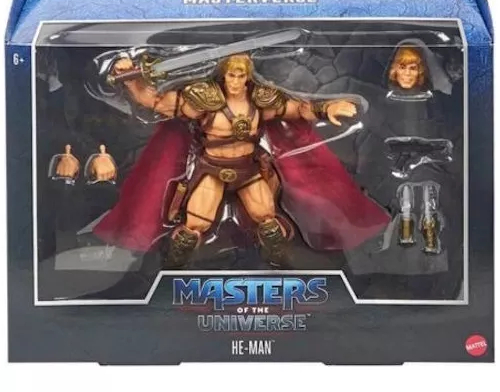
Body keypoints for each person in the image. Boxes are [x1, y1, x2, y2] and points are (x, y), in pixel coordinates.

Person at [56, 53, 389, 268]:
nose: (236, 80)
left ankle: (278, 264)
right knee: (193, 230)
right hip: (211, 171)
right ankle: (172, 269)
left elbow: (297, 109)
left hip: (249, 170)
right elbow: (157, 103)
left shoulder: (260, 100)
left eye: (241, 74)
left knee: (268, 224)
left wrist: (326, 108)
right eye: (231, 74)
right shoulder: (204, 100)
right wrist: (131, 79)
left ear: (248, 76)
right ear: (223, 75)